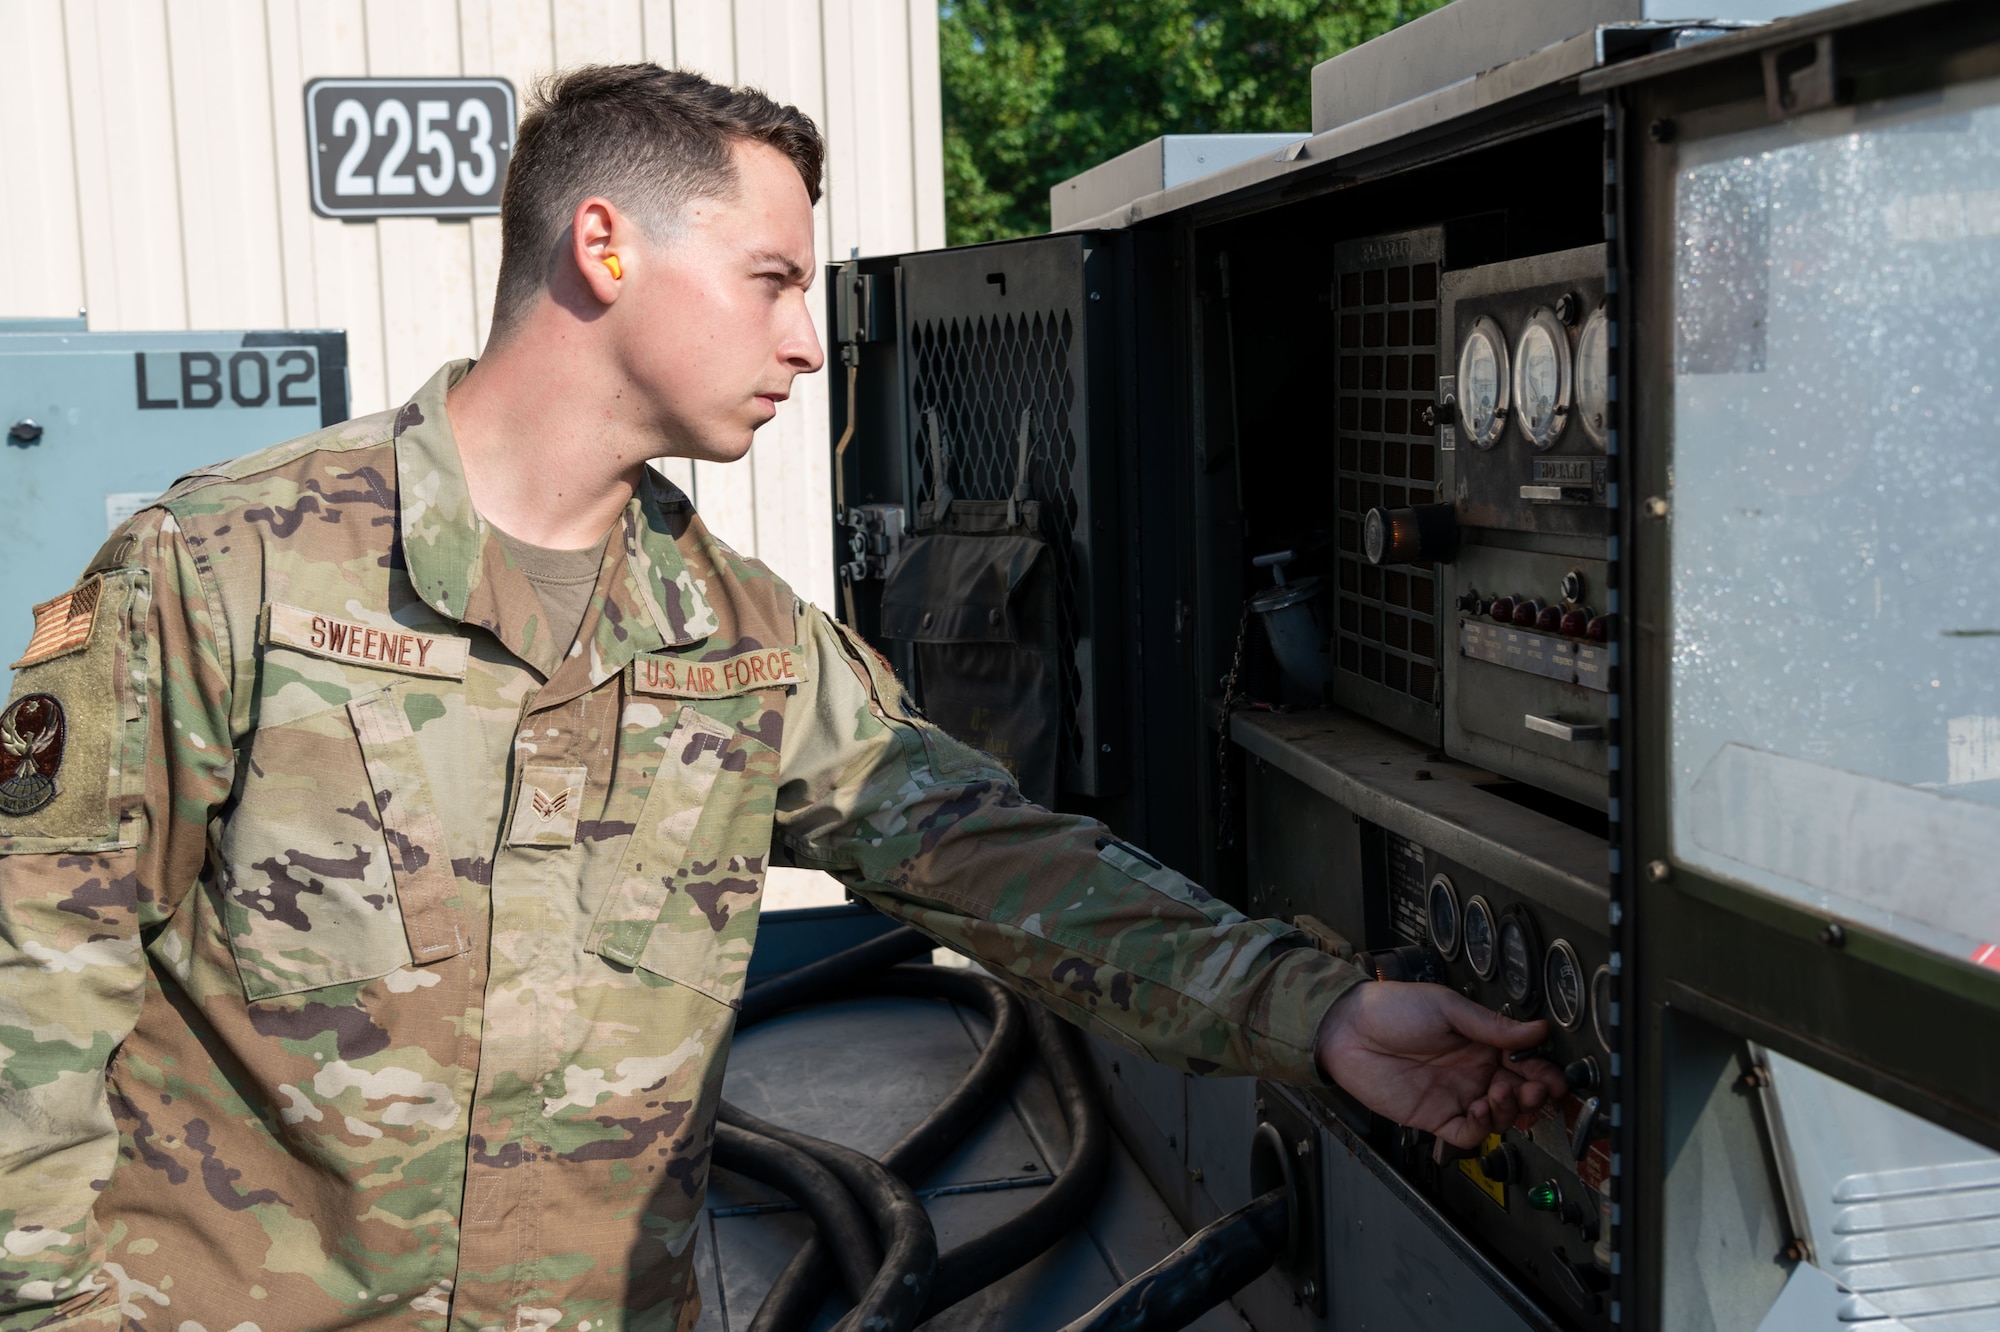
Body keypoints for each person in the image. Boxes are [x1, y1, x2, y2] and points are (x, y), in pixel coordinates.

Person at [0, 65, 1564, 1331]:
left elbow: (996, 863)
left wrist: (1323, 1009)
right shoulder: (228, 572)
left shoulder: (733, 639)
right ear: (605, 249)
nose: (812, 343)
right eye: (770, 280)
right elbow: (32, 970)